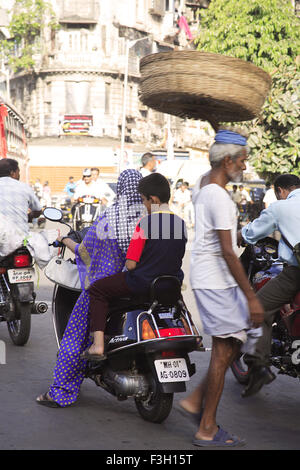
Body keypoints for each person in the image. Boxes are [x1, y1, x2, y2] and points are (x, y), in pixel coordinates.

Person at [179, 128, 264, 447]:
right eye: (242, 159)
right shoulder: (217, 195)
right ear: (227, 159)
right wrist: (251, 296)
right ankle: (207, 428)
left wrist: (224, 132)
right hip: (216, 280)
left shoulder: (204, 184)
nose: (244, 166)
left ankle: (194, 401)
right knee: (223, 350)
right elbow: (229, 252)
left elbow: (213, 165)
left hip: (211, 278)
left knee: (234, 343)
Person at [36, 169, 144, 407]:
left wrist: (64, 240)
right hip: (142, 287)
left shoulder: (110, 217)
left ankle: (61, 391)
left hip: (106, 287)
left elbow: (84, 252)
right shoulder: (150, 217)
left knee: (74, 336)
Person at [82, 172, 187, 360]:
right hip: (170, 284)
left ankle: (97, 345)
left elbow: (130, 265)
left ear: (153, 199)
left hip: (142, 283)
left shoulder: (145, 224)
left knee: (97, 290)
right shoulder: (181, 224)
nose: (143, 205)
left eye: (143, 200)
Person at [238, 173, 300, 397]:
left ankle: (260, 367)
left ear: (281, 191)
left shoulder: (280, 207)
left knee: (259, 310)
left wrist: (241, 234)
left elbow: (254, 231)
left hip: (295, 274)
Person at [0, 158, 42, 235]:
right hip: (19, 240)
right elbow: (38, 210)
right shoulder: (24, 187)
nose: (19, 175)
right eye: (18, 172)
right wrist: (29, 216)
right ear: (12, 173)